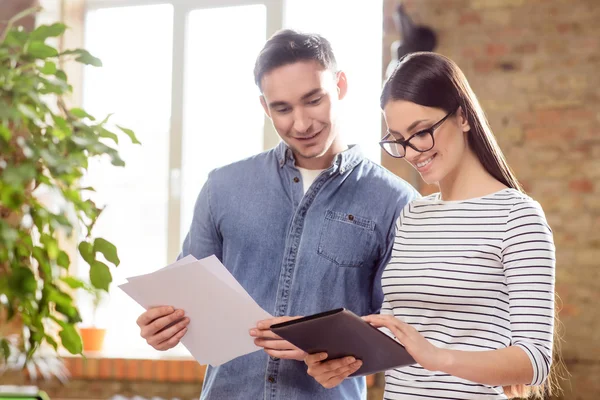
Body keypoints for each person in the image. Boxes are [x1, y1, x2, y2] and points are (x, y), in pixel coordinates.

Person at [134, 30, 419, 399]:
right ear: (265, 107)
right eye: (282, 108)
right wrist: (164, 327)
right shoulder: (223, 186)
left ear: (341, 85)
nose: (300, 124)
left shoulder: (396, 202)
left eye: (313, 100)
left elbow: (400, 332)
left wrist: (325, 346)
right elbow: (186, 300)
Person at [305, 52, 559, 400]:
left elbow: (535, 360)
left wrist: (438, 358)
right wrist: (342, 360)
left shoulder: (517, 217)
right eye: (397, 139)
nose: (410, 152)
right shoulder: (412, 216)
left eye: (421, 132)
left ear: (463, 117)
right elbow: (397, 336)